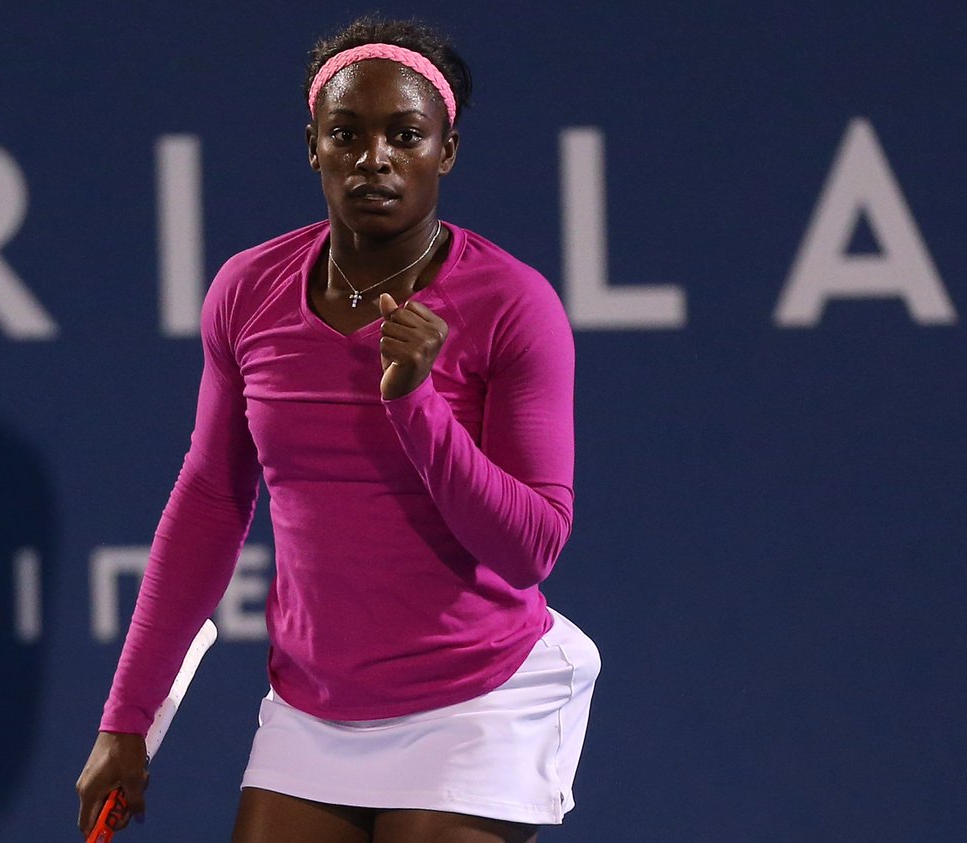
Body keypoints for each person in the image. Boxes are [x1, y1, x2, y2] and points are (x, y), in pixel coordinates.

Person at [77, 16, 600, 843]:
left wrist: (416, 404)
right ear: (313, 147)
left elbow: (532, 546)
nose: (376, 158)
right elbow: (211, 501)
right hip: (314, 702)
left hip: (479, 696)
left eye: (406, 135)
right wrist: (127, 719)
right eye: (347, 135)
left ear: (447, 150)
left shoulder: (514, 304)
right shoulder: (248, 290)